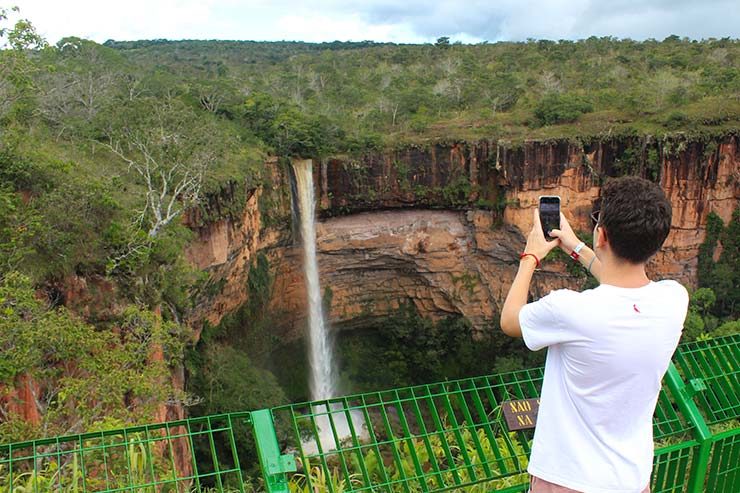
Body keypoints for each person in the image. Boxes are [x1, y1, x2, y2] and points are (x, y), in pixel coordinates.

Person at [499, 176, 689, 493]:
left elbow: (510, 319)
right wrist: (575, 248)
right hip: (631, 478)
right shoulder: (674, 299)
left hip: (568, 480)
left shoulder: (569, 310)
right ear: (657, 239)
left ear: (601, 234)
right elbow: (620, 283)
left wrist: (531, 255)